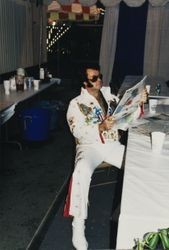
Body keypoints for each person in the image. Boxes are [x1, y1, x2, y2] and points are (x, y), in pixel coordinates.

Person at [63, 65, 147, 250]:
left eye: (99, 76)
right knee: (81, 171)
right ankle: (78, 226)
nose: (99, 80)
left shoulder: (110, 97)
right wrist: (99, 127)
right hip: (89, 146)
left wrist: (139, 103)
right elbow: (76, 130)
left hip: (112, 145)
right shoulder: (75, 104)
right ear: (84, 83)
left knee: (138, 163)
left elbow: (128, 119)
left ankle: (137, 213)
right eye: (94, 78)